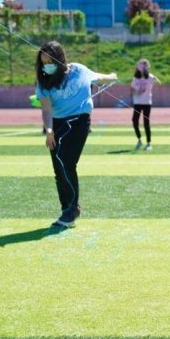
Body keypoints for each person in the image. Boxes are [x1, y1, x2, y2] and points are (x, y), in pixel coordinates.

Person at [35, 40, 118, 228]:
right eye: (43, 62)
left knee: (67, 162)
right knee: (58, 168)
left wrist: (112, 75)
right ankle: (66, 210)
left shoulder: (78, 70)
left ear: (59, 59)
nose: (46, 66)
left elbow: (98, 77)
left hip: (79, 121)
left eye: (49, 62)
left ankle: (73, 209)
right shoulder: (43, 80)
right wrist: (49, 130)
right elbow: (46, 109)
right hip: (57, 124)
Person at [131, 58, 160, 151]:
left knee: (146, 122)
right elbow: (132, 89)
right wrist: (136, 92)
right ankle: (139, 140)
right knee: (134, 120)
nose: (142, 67)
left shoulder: (150, 77)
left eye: (144, 65)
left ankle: (148, 143)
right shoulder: (135, 78)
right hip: (137, 102)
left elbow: (159, 82)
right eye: (140, 65)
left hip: (147, 102)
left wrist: (155, 79)